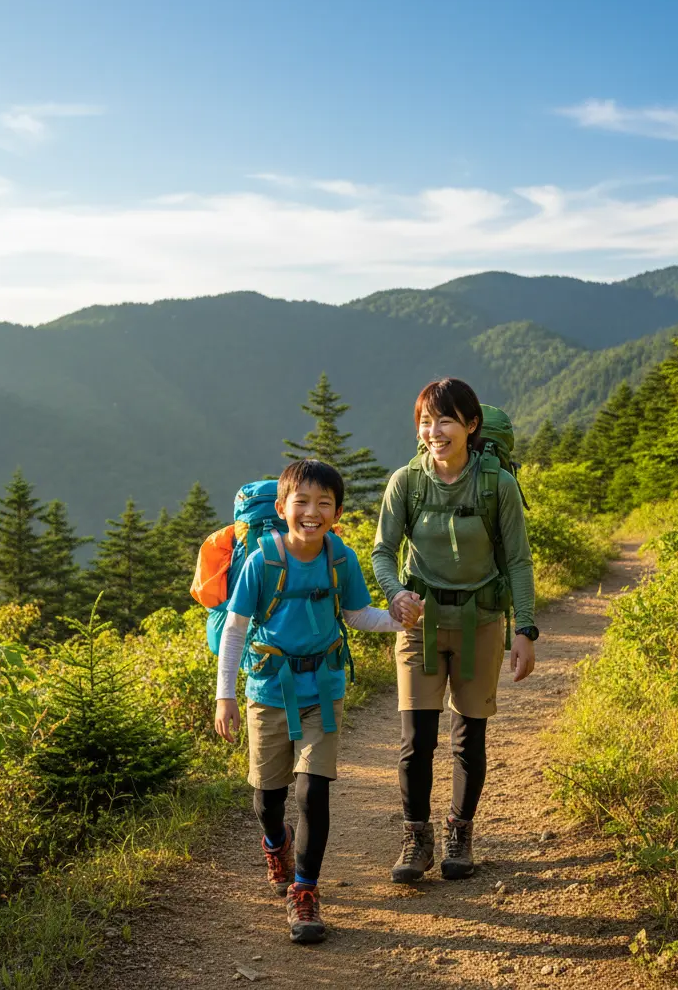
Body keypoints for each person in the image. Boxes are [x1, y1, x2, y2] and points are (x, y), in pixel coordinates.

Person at [214, 459, 406, 943]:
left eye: (324, 503)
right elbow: (236, 629)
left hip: (323, 688)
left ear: (337, 511)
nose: (312, 512)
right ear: (282, 508)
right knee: (268, 800)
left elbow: (358, 615)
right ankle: (275, 843)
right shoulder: (261, 562)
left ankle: (305, 892)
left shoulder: (339, 559)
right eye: (302, 502)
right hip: (268, 694)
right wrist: (226, 696)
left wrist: (403, 619)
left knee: (312, 791)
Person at [373, 378, 538, 882]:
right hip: (421, 624)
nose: (434, 431)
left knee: (469, 736)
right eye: (425, 421)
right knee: (415, 739)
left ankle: (460, 832)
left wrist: (525, 629)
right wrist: (394, 593)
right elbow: (382, 551)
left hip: (481, 622)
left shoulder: (497, 486)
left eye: (445, 420)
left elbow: (518, 561)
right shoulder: (406, 481)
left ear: (471, 426)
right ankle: (416, 837)